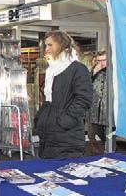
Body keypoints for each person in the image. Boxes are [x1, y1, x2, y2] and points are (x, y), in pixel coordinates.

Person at [35, 31, 93, 159]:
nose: (46, 49)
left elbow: (84, 99)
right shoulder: (51, 70)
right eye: (46, 45)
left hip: (67, 137)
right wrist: (40, 118)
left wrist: (64, 122)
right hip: (49, 137)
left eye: (50, 45)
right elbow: (49, 101)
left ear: (61, 45)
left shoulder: (78, 69)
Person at [87, 51, 111, 154]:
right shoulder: (94, 71)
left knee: (108, 134)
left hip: (108, 110)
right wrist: (93, 72)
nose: (101, 63)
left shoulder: (114, 72)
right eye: (99, 60)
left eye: (103, 60)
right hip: (94, 110)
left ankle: (111, 150)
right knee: (96, 130)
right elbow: (84, 86)